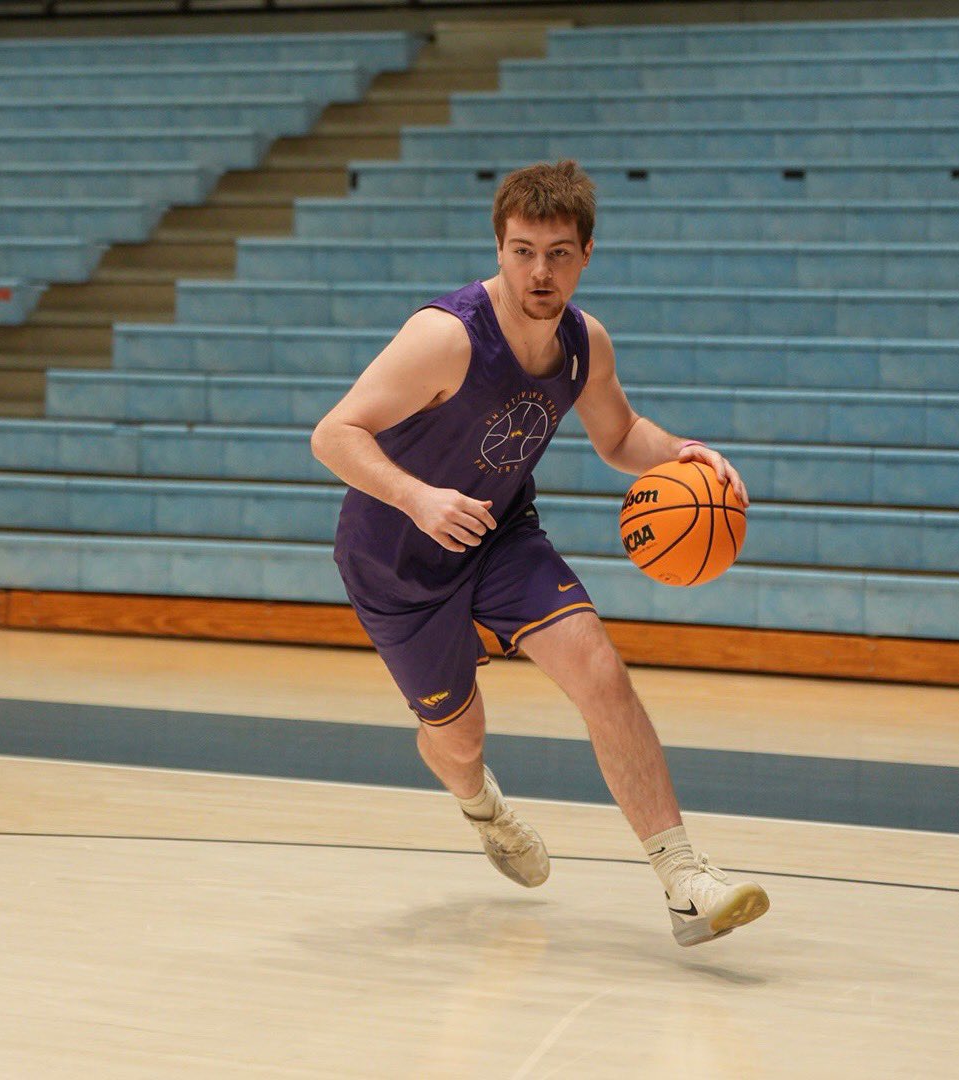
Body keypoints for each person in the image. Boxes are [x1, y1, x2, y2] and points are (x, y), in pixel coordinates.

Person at [310, 160, 769, 947]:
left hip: (498, 535)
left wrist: (687, 452)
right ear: (499, 248)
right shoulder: (445, 338)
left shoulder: (583, 343)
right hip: (397, 555)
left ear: (586, 254)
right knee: (460, 742)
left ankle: (684, 880)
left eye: (558, 253)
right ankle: (484, 808)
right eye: (523, 250)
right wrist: (419, 498)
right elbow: (334, 434)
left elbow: (622, 436)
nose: (539, 270)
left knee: (599, 668)